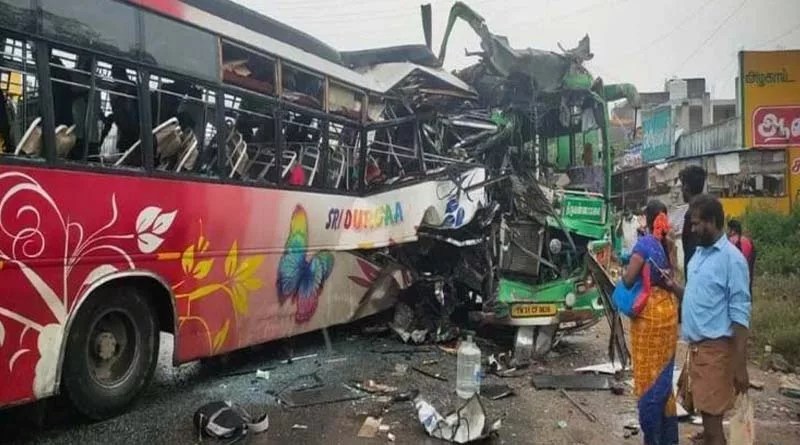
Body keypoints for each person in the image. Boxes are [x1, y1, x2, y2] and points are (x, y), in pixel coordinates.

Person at [670, 194, 751, 445]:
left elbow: (740, 314)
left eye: (696, 224)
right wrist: (673, 287)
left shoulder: (732, 260)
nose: (693, 229)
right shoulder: (699, 256)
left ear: (713, 221)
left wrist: (740, 365)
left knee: (714, 428)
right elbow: (696, 296)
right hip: (698, 351)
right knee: (708, 423)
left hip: (716, 352)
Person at [621, 199, 679, 445]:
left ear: (647, 218)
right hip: (668, 312)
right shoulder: (669, 245)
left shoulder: (644, 245)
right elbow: (674, 274)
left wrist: (624, 275)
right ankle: (669, 439)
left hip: (648, 316)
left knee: (647, 379)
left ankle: (652, 438)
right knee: (664, 379)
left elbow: (629, 280)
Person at [679, 165, 707, 277]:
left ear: (686, 187)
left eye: (682, 185)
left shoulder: (692, 216)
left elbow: (692, 250)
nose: (681, 189)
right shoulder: (706, 210)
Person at [727, 219, 756, 295]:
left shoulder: (733, 241)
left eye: (728, 229)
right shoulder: (745, 240)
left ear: (733, 230)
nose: (727, 231)